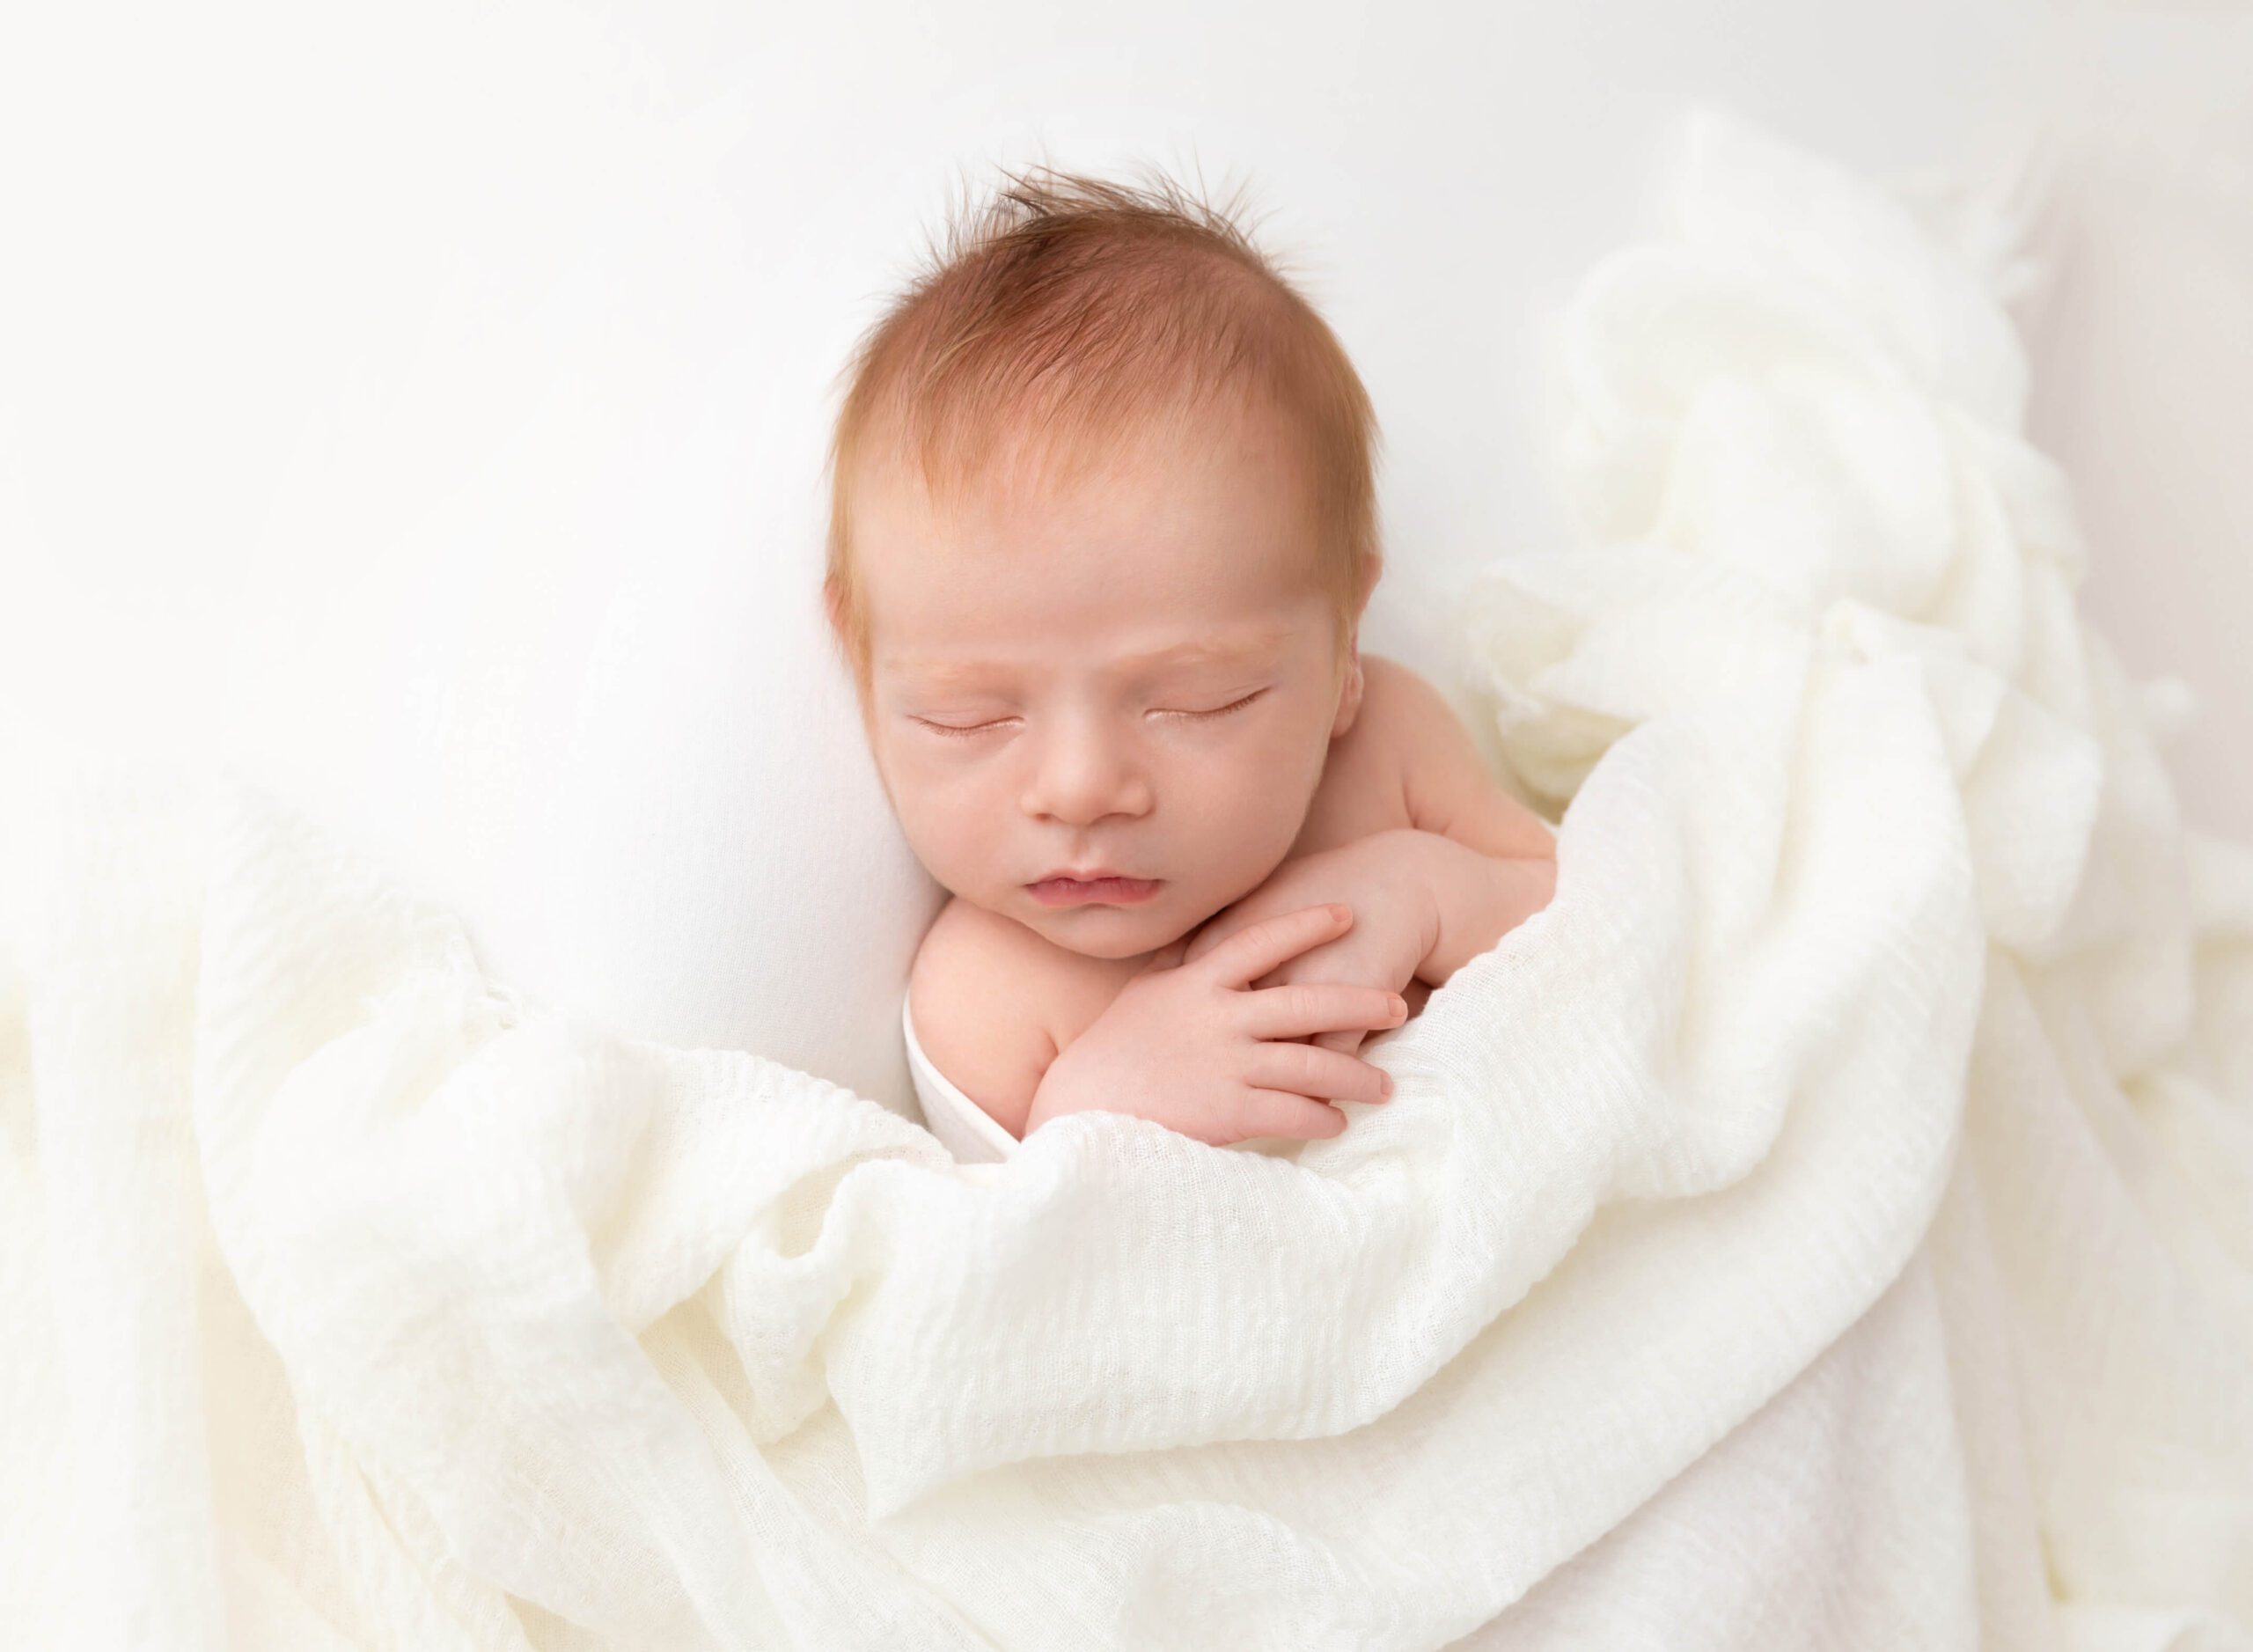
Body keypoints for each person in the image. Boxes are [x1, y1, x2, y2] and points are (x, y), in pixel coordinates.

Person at [820, 167, 1557, 1158]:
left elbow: (1604, 925)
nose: (1082, 789)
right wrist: (1095, 1108)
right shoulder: (988, 999)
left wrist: (1427, 892)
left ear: (1342, 652)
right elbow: (1016, 1270)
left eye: (1197, 700)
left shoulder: (1388, 753)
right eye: (970, 714)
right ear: (865, 671)